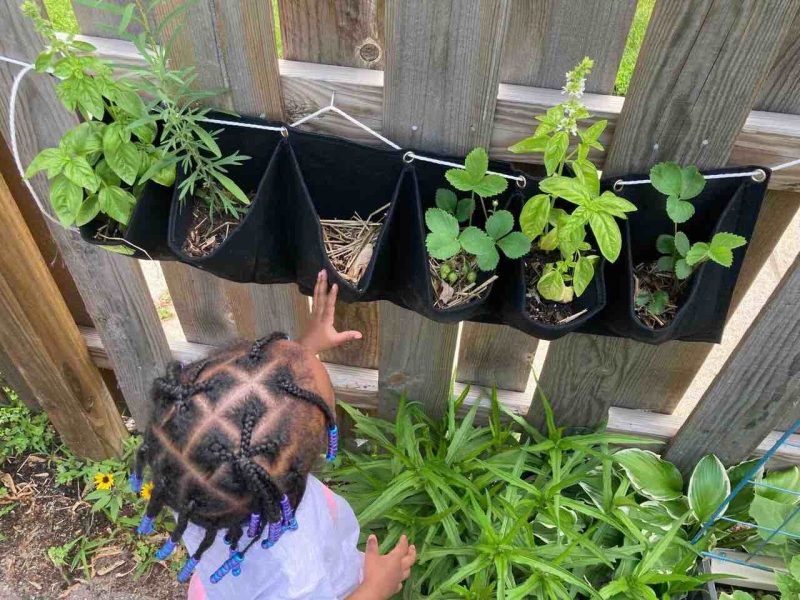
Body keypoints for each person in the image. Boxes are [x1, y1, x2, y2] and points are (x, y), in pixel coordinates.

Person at [129, 270, 416, 599]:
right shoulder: (296, 571)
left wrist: (304, 349)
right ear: (306, 456)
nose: (300, 358)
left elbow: (267, 400)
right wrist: (374, 588)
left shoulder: (188, 477)